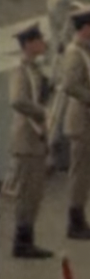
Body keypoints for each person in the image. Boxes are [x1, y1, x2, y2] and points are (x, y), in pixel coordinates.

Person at [61, 5, 90, 241]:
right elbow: (69, 85)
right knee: (80, 173)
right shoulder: (74, 52)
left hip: (89, 118)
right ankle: (75, 221)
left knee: (86, 172)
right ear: (87, 27)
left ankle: (80, 217)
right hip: (80, 118)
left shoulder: (88, 50)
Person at [8, 23, 54, 259]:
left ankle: (27, 239)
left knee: (35, 192)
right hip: (26, 138)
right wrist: (40, 112)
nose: (42, 43)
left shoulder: (36, 69)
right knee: (27, 193)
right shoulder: (21, 70)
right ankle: (22, 242)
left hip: (36, 138)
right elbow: (17, 100)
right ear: (28, 44)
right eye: (38, 40)